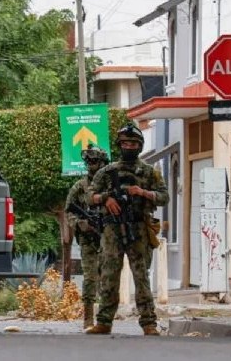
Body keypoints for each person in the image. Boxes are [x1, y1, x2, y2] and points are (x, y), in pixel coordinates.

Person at [86, 122, 168, 336]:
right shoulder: (107, 172)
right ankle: (104, 321)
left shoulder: (149, 172)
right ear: (119, 145)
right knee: (109, 275)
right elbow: (90, 196)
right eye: (125, 143)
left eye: (133, 143)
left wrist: (142, 192)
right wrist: (106, 199)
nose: (129, 147)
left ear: (139, 146)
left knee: (141, 276)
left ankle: (149, 323)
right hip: (112, 230)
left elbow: (164, 197)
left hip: (138, 228)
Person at [65, 144, 108, 329]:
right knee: (90, 278)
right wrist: (79, 223)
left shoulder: (109, 185)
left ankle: (105, 319)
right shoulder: (79, 187)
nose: (91, 164)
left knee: (107, 280)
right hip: (88, 240)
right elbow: (69, 211)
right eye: (88, 161)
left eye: (95, 161)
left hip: (108, 238)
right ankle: (88, 319)